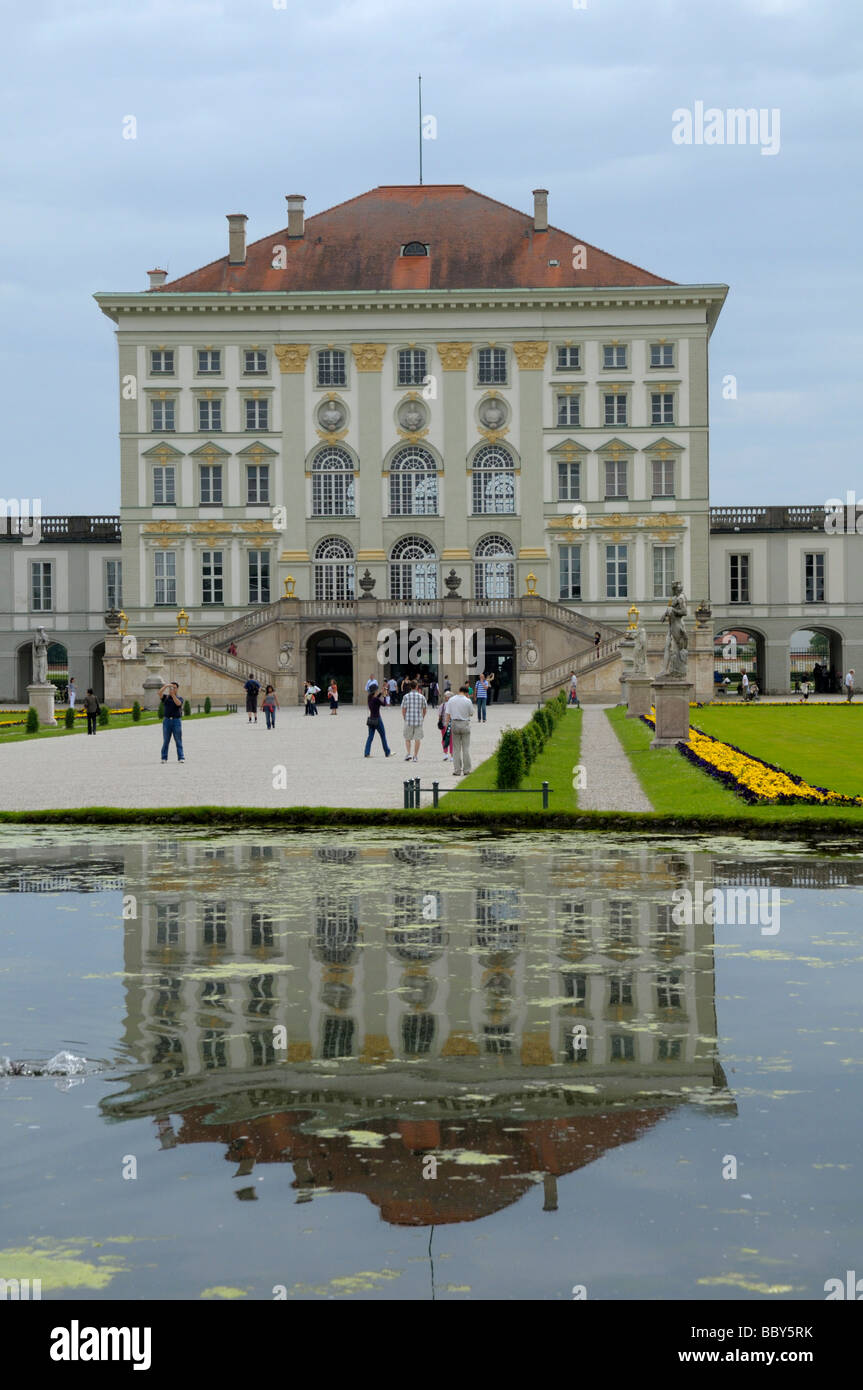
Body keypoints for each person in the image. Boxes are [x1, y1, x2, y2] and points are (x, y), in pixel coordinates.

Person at [444, 685, 474, 777]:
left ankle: (457, 770)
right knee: (466, 748)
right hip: (465, 724)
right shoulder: (468, 701)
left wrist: (447, 725)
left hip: (455, 724)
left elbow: (448, 715)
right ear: (466, 693)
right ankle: (467, 770)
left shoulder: (451, 700)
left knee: (456, 749)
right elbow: (471, 713)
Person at [401, 678, 427, 762]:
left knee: (407, 738)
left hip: (408, 720)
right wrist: (422, 717)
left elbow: (403, 709)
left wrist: (405, 717)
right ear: (416, 687)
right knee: (417, 739)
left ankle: (408, 753)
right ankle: (415, 756)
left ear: (410, 687)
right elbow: (424, 709)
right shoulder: (421, 696)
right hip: (418, 720)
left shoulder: (406, 696)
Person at [364, 680, 392, 758]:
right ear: (375, 691)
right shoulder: (376, 699)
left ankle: (367, 753)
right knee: (383, 736)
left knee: (370, 737)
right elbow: (384, 704)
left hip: (371, 719)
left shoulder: (369, 698)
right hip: (377, 719)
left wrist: (381, 693)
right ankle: (387, 752)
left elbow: (376, 697)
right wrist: (385, 695)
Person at [159, 682, 185, 763]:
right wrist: (166, 686)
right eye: (171, 688)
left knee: (178, 740)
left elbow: (178, 703)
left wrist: (173, 695)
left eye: (174, 688)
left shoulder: (180, 698)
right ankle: (164, 758)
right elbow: (159, 693)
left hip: (176, 721)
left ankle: (181, 757)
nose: (172, 689)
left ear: (177, 689)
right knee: (166, 740)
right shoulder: (166, 697)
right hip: (167, 721)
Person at [438, 689, 452, 761]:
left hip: (443, 725)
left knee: (444, 739)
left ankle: (445, 754)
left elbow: (439, 715)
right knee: (451, 740)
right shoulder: (453, 705)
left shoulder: (442, 706)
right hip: (451, 725)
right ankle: (452, 755)